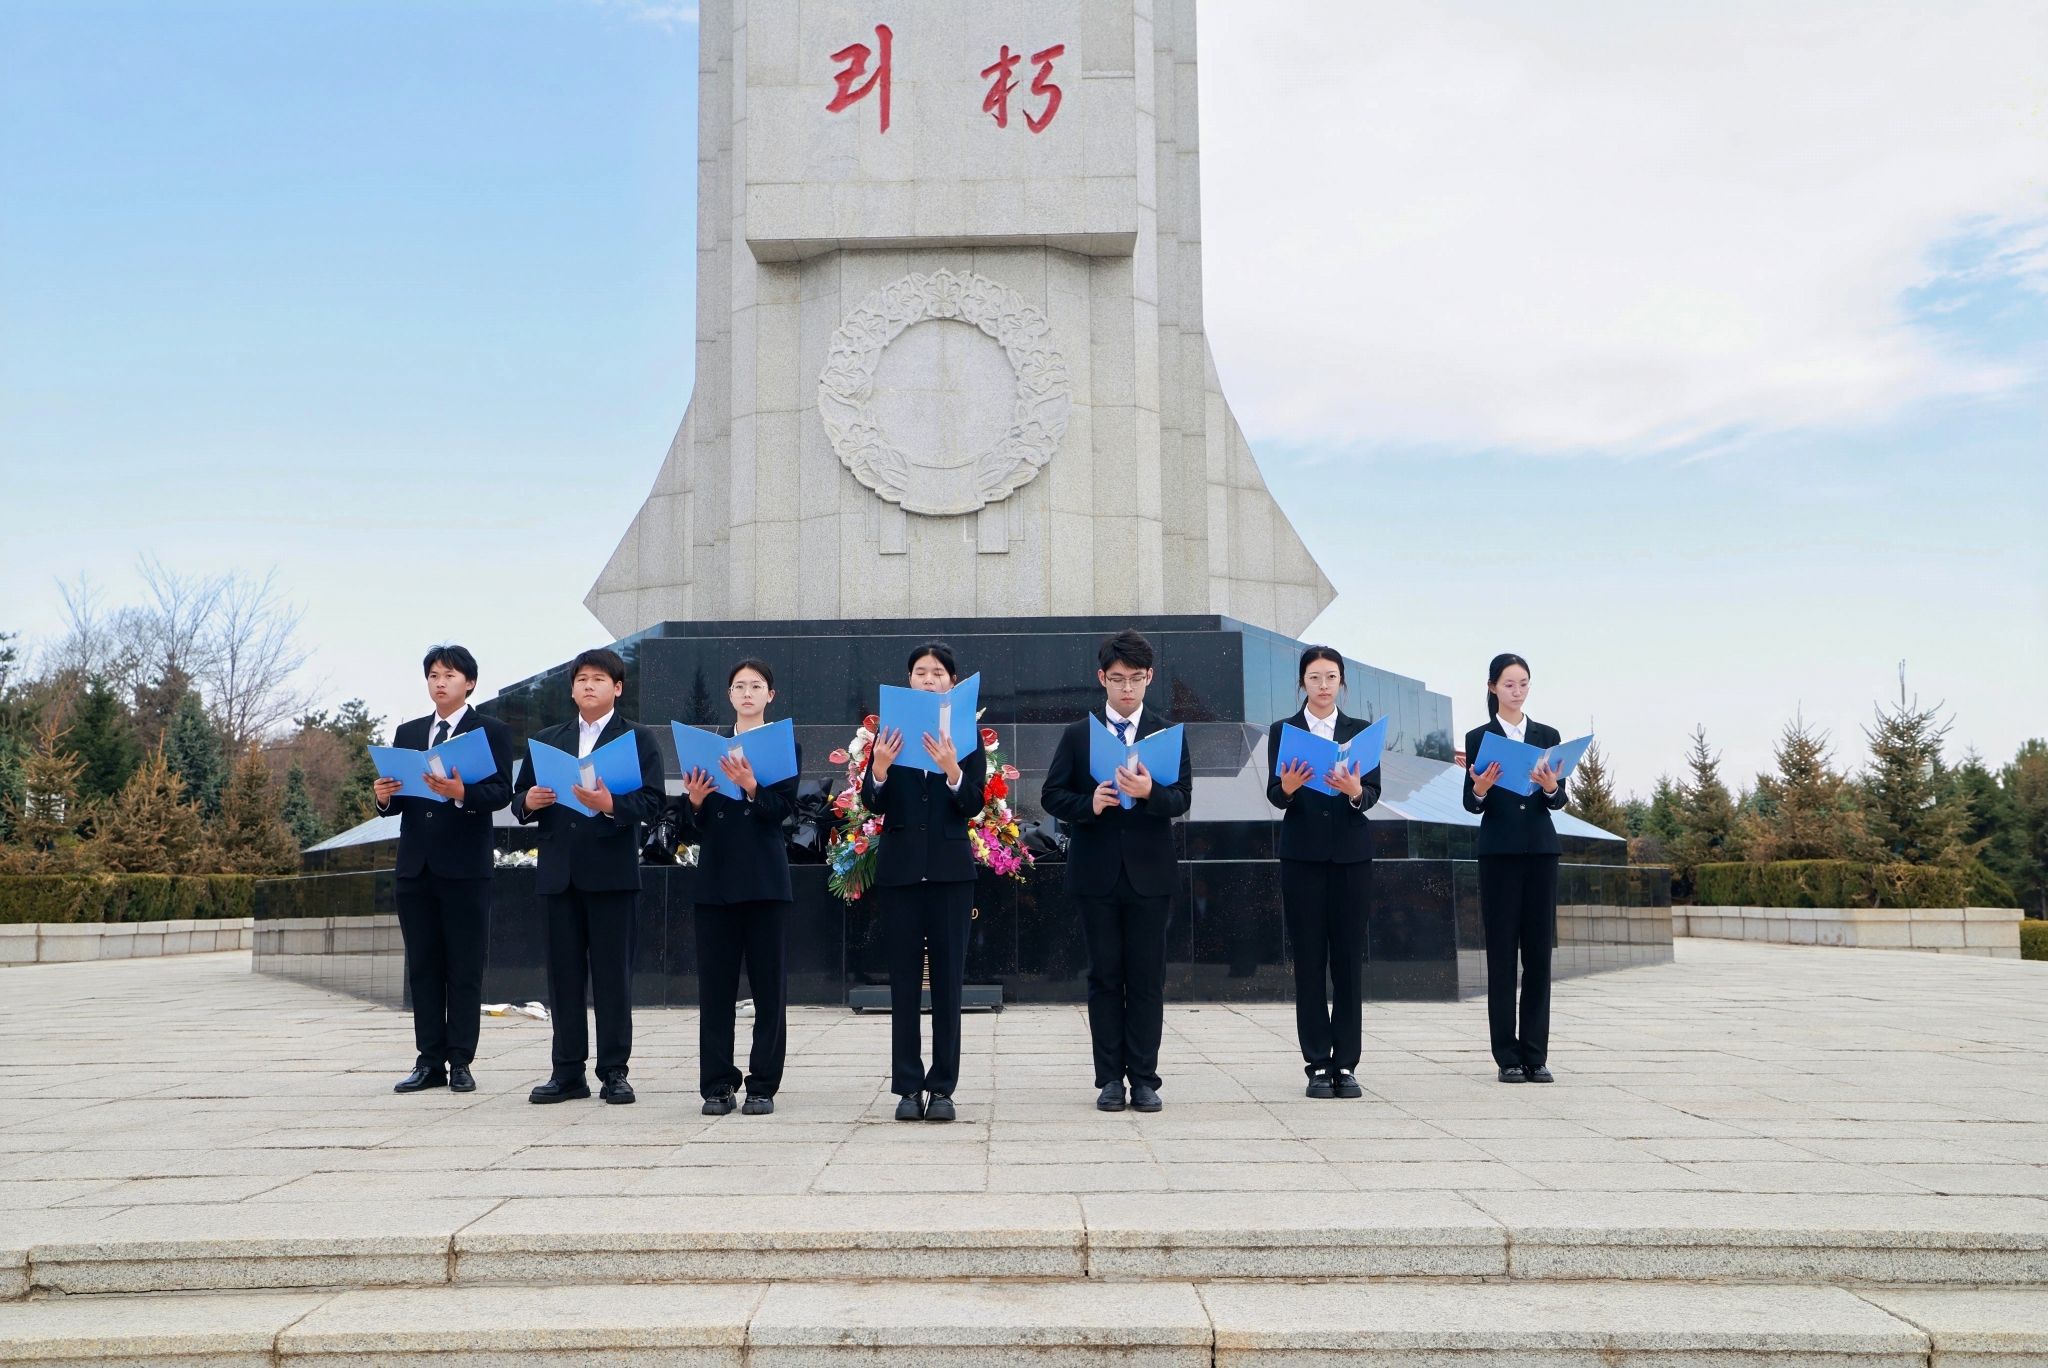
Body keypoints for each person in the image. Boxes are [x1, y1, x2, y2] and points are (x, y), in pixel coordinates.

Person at [1039, 628, 1193, 1114]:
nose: (1128, 688)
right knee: (1104, 977)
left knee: (1146, 980)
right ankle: (1109, 1079)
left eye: (1136, 678)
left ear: (1150, 678)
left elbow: (1182, 798)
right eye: (1118, 678)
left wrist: (1150, 794)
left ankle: (1144, 1079)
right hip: (1096, 874)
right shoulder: (1078, 735)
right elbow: (1051, 795)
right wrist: (1089, 804)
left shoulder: (1167, 733)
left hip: (1150, 876)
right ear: (1102, 678)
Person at [510, 648, 666, 1105]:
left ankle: (614, 1072)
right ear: (572, 689)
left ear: (617, 687)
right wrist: (529, 802)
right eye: (581, 679)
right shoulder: (548, 740)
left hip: (612, 875)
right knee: (563, 978)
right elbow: (519, 798)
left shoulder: (636, 739)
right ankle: (567, 1073)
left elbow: (654, 801)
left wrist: (610, 804)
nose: (589, 686)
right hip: (559, 875)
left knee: (612, 978)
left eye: (599, 679)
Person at [374, 645, 515, 1096]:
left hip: (465, 869)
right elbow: (398, 801)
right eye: (434, 675)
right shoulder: (410, 731)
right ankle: (429, 1061)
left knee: (464, 968)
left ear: (469, 683)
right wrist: (383, 796)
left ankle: (461, 1062)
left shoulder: (490, 731)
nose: (440, 682)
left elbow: (501, 793)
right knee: (424, 967)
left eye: (450, 675)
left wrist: (461, 792)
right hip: (416, 868)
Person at [861, 642, 987, 1124]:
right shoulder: (890, 733)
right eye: (920, 672)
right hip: (901, 873)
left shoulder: (965, 735)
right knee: (904, 984)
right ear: (909, 680)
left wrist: (953, 768)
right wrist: (880, 767)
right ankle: (908, 1087)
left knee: (949, 984)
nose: (928, 679)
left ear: (952, 681)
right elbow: (873, 802)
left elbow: (972, 803)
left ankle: (943, 1088)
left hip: (951, 873)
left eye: (937, 672)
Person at [673, 659, 799, 1117]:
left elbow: (783, 810)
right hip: (717, 881)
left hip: (765, 882)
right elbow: (692, 826)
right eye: (739, 686)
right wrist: (695, 801)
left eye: (756, 686)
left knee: (769, 990)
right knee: (716, 992)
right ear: (728, 695)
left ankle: (762, 1084)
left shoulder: (784, 744)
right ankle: (717, 1084)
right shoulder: (709, 747)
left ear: (770, 695)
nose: (747, 693)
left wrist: (750, 786)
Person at [1265, 645, 1381, 1099]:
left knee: (1348, 963)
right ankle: (1317, 1063)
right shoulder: (1285, 730)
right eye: (1314, 677)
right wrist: (1289, 787)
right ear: (1302, 683)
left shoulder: (1360, 731)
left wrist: (1354, 791)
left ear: (1342, 682)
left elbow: (1372, 792)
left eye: (1331, 676)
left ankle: (1346, 1064)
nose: (1323, 685)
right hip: (1303, 859)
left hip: (1352, 858)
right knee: (1309, 962)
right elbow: (1275, 794)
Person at [1462, 652, 1569, 1084]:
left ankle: (1536, 1055)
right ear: (1493, 688)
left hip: (1541, 853)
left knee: (1539, 957)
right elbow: (1471, 804)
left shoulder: (1547, 735)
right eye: (1509, 684)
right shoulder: (1479, 737)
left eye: (1523, 683)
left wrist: (1551, 786)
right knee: (1503, 956)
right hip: (1499, 854)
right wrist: (1481, 788)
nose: (1517, 691)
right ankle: (1507, 1055)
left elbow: (1558, 801)